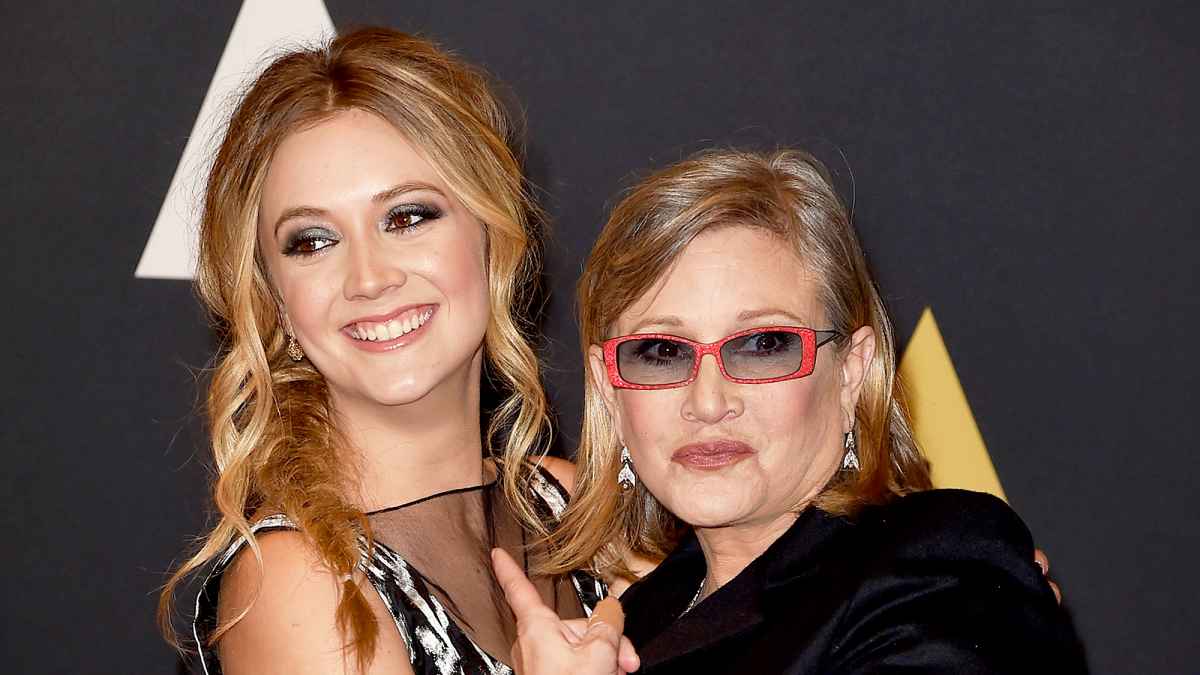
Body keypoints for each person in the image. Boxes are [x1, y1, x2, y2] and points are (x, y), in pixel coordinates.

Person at [499, 148, 1085, 673]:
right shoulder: (638, 617)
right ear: (610, 391)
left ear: (851, 373)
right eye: (661, 352)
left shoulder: (934, 570)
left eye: (763, 346)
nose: (708, 402)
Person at [157, 28, 606, 675]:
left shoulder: (568, 505)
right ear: (274, 297)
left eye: (408, 216)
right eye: (312, 241)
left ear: (491, 231)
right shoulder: (300, 586)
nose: (369, 278)